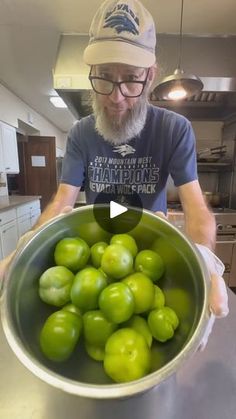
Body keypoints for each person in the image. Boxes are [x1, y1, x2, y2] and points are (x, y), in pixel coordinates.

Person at [0, 0, 228, 348]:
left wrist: (207, 262)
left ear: (150, 76)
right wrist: (26, 246)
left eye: (131, 81)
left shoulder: (175, 130)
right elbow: (62, 202)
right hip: (97, 255)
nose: (116, 98)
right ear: (91, 70)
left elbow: (196, 207)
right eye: (104, 77)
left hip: (154, 257)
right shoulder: (80, 133)